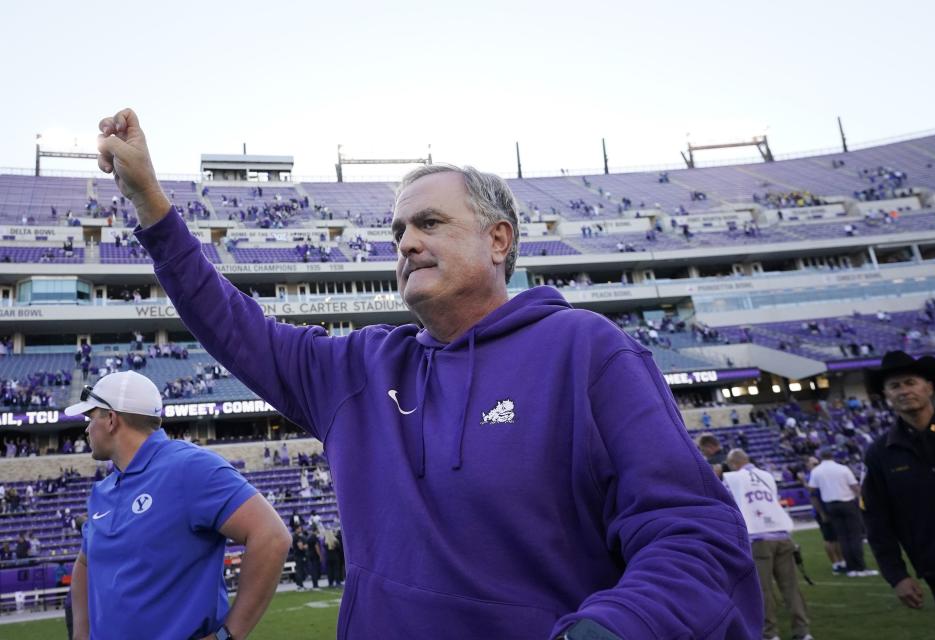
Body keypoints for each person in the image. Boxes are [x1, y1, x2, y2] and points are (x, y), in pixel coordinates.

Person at [96, 108, 761, 639]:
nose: (407, 242)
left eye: (430, 223)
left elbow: (692, 532)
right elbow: (232, 324)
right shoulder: (357, 368)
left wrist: (612, 628)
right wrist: (151, 202)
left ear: (499, 240)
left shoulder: (588, 352)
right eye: (398, 232)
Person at [67, 371, 290, 640]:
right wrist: (81, 634)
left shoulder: (189, 467)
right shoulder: (103, 489)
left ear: (111, 419)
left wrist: (228, 636)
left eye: (91, 417)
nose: (87, 428)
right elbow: (85, 562)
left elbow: (272, 536)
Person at [861, 351, 935, 638]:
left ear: (928, 387)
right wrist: (897, 576)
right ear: (886, 395)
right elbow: (876, 520)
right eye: (895, 386)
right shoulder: (880, 455)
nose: (904, 391)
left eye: (910, 382)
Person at [724, 449, 812, 640]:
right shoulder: (767, 475)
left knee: (763, 590)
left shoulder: (733, 478)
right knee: (790, 587)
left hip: (758, 537)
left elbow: (726, 502)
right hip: (782, 534)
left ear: (733, 464)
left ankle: (770, 633)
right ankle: (803, 631)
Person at [807, 449, 877, 578]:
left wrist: (821, 513)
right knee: (855, 536)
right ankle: (860, 567)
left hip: (830, 505)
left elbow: (813, 493)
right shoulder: (842, 469)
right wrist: (864, 502)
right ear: (832, 456)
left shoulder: (816, 472)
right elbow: (855, 487)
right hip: (847, 503)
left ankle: (851, 568)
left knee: (842, 538)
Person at [801, 456, 844, 574]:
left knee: (836, 537)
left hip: (829, 507)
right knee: (829, 539)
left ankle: (842, 562)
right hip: (822, 510)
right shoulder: (812, 476)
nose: (817, 465)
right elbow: (813, 495)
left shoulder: (817, 474)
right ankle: (836, 564)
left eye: (817, 463)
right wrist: (822, 513)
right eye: (813, 464)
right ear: (808, 466)